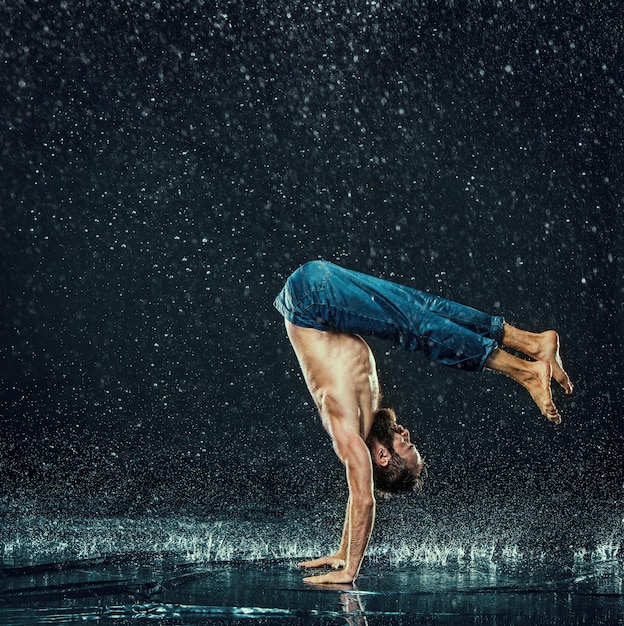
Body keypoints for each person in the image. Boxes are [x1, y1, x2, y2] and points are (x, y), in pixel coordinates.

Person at [273, 260, 572, 584]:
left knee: (417, 327)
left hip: (310, 298)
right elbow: (358, 490)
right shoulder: (366, 419)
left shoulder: (346, 431)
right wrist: (343, 551)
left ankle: (525, 372)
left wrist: (349, 570)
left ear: (383, 456)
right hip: (314, 291)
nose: (405, 432)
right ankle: (531, 343)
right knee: (423, 310)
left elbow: (363, 497)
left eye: (406, 444)